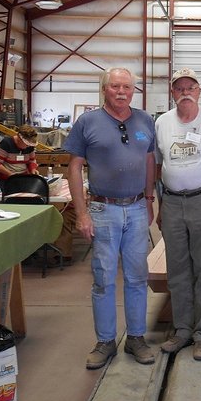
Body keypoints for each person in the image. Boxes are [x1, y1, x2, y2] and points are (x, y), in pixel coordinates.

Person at [64, 67, 157, 370]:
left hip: (137, 208)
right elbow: (75, 167)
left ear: (134, 90)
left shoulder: (145, 121)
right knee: (103, 279)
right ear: (104, 89)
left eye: (127, 87)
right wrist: (81, 213)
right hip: (102, 209)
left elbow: (149, 160)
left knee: (137, 277)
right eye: (115, 86)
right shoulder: (87, 122)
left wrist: (150, 197)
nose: (121, 92)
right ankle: (105, 341)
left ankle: (136, 338)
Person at [155, 68, 201, 361]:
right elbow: (158, 167)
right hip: (172, 203)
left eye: (191, 87)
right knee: (178, 270)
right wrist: (160, 206)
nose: (185, 91)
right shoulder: (162, 123)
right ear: (172, 92)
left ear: (199, 91)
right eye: (179, 87)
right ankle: (182, 330)